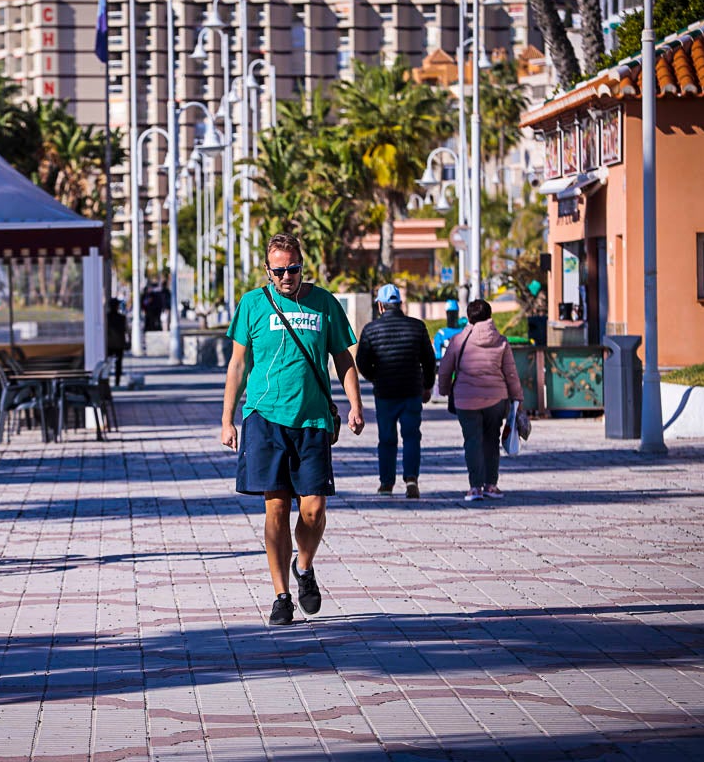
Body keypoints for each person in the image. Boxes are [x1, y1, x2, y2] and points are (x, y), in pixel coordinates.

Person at [221, 233, 365, 626]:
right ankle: (281, 595)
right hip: (264, 419)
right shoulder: (252, 304)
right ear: (268, 271)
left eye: (294, 268)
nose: (287, 276)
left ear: (303, 264)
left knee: (314, 510)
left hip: (313, 419)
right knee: (277, 509)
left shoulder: (324, 304)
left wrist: (355, 404)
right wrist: (227, 418)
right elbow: (237, 364)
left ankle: (305, 566)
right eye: (280, 270)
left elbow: (343, 358)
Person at [436, 298, 524, 502]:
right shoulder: (501, 341)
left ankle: (475, 487)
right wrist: (517, 399)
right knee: (491, 441)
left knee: (472, 441)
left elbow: (445, 370)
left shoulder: (458, 340)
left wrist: (446, 391)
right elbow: (511, 374)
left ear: (468, 317)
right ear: (490, 316)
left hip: (466, 400)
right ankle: (491, 485)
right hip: (496, 399)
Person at [355, 284, 436, 498]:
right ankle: (411, 480)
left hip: (385, 393)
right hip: (411, 391)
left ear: (380, 306)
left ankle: (386, 484)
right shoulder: (417, 327)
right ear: (400, 305)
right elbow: (428, 360)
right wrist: (427, 385)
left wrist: (376, 378)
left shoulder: (371, 330)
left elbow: (361, 362)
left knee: (387, 439)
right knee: (411, 436)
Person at [106, 298, 128, 387]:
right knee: (118, 364)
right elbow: (125, 330)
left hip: (109, 344)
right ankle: (117, 382)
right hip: (119, 344)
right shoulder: (122, 318)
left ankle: (106, 380)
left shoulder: (107, 317)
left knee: (107, 364)